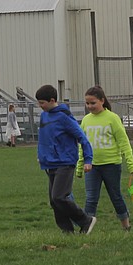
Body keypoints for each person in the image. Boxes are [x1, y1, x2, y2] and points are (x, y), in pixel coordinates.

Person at [35, 84, 95, 235]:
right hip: (50, 163)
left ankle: (85, 220)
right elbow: (45, 138)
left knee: (59, 197)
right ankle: (67, 231)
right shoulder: (44, 116)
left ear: (52, 100)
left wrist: (88, 159)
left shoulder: (64, 117)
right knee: (54, 201)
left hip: (65, 162)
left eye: (42, 103)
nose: (40, 106)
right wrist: (42, 155)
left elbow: (82, 138)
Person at [77, 85, 133, 231]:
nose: (90, 106)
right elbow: (82, 145)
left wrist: (132, 164)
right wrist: (80, 165)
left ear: (102, 101)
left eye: (93, 103)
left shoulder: (112, 118)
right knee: (91, 198)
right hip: (92, 166)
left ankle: (126, 226)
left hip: (112, 165)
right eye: (87, 103)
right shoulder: (85, 120)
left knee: (115, 196)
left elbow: (124, 142)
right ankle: (86, 228)